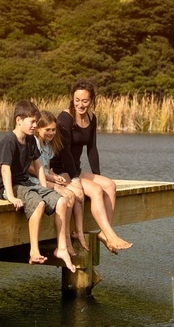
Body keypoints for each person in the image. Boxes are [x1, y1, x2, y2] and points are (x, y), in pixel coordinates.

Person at [0, 99, 76, 272]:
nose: (34, 126)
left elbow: (38, 166)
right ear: (19, 120)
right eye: (31, 122)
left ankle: (61, 248)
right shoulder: (10, 141)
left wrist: (45, 188)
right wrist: (10, 196)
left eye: (35, 122)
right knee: (38, 203)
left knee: (61, 201)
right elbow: (5, 171)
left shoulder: (30, 140)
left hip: (26, 183)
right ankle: (34, 250)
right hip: (11, 186)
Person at [56, 80, 132, 254]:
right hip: (61, 170)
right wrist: (74, 178)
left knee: (109, 185)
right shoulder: (64, 118)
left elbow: (92, 149)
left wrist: (98, 175)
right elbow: (65, 152)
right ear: (72, 98)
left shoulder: (91, 118)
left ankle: (105, 234)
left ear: (91, 100)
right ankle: (111, 234)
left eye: (85, 101)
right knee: (96, 190)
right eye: (77, 100)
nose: (80, 104)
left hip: (76, 169)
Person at [33, 109, 87, 254]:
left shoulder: (48, 145)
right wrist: (50, 178)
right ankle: (65, 242)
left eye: (54, 130)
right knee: (68, 195)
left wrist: (54, 175)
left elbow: (47, 168)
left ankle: (77, 232)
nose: (51, 133)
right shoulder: (34, 143)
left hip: (46, 178)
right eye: (48, 130)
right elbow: (30, 169)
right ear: (38, 128)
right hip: (35, 180)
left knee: (76, 192)